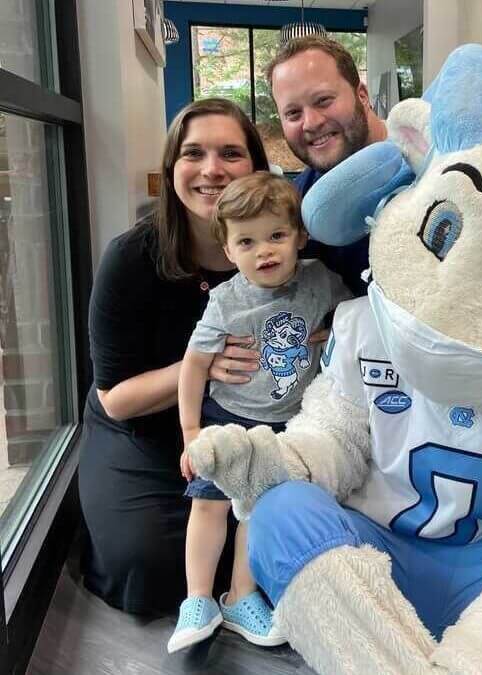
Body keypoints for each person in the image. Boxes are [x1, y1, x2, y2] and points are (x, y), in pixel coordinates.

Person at [78, 98, 276, 616]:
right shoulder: (130, 259)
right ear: (172, 170)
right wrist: (201, 363)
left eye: (231, 153)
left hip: (240, 425)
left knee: (271, 539)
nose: (212, 169)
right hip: (142, 427)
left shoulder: (280, 250)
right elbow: (117, 399)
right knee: (148, 565)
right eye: (194, 154)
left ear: (256, 168)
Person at [167, 172, 350, 652]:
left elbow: (357, 318)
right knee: (208, 502)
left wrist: (336, 333)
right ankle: (197, 599)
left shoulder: (320, 281)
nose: (264, 251)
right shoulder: (225, 301)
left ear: (300, 237)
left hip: (287, 424)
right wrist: (190, 430)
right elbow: (194, 366)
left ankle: (240, 596)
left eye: (276, 236)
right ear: (228, 251)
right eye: (246, 242)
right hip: (226, 418)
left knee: (256, 509)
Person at [267, 37, 388, 296]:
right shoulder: (297, 206)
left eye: (323, 100)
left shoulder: (434, 161)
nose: (310, 123)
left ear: (362, 95)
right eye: (293, 114)